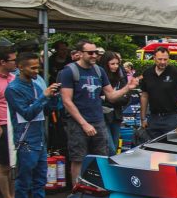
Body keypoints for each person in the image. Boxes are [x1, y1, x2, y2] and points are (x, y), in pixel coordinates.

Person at [59, 40, 138, 181]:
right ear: (80, 54)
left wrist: (127, 88)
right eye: (90, 53)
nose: (94, 55)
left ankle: (99, 187)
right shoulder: (69, 71)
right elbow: (67, 101)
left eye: (96, 52)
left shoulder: (99, 70)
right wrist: (84, 124)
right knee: (78, 159)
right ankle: (77, 189)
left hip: (98, 121)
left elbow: (111, 96)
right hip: (77, 123)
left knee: (101, 157)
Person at [4, 53, 65, 198]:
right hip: (25, 140)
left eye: (37, 67)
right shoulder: (13, 89)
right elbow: (27, 113)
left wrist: (53, 96)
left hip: (39, 138)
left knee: (40, 179)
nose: (36, 71)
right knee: (24, 181)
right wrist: (44, 96)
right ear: (20, 67)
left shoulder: (36, 84)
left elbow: (47, 110)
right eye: (32, 68)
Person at [139, 46, 177, 140]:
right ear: (154, 58)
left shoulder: (174, 72)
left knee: (171, 145)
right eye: (160, 59)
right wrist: (143, 118)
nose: (163, 62)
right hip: (153, 118)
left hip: (171, 118)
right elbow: (144, 96)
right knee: (152, 146)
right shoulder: (147, 73)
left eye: (165, 59)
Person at [99, 51, 131, 155]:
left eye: (117, 63)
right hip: (103, 116)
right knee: (110, 147)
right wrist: (115, 97)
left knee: (115, 145)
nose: (116, 66)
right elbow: (98, 97)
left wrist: (108, 98)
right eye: (112, 64)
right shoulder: (100, 77)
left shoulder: (120, 78)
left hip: (116, 116)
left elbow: (126, 98)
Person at [0, 46, 17, 198]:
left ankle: (14, 197)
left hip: (15, 125)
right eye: (13, 60)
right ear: (2, 62)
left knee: (14, 164)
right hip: (2, 126)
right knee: (4, 165)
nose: (16, 63)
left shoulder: (13, 78)